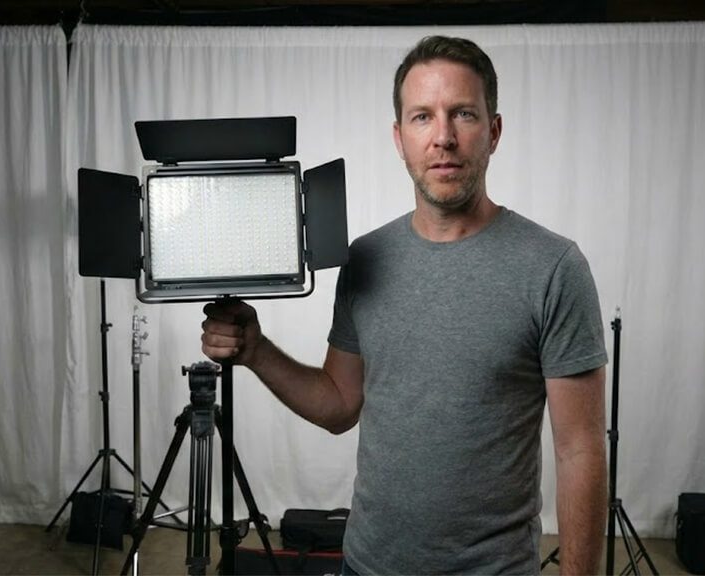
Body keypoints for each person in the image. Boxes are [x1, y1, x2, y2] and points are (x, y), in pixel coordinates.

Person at [202, 36, 608, 575]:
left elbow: (579, 451)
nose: (443, 137)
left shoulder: (553, 267)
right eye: (422, 117)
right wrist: (255, 350)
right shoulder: (366, 259)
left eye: (463, 113)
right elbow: (340, 404)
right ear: (399, 138)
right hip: (367, 566)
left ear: (494, 131)